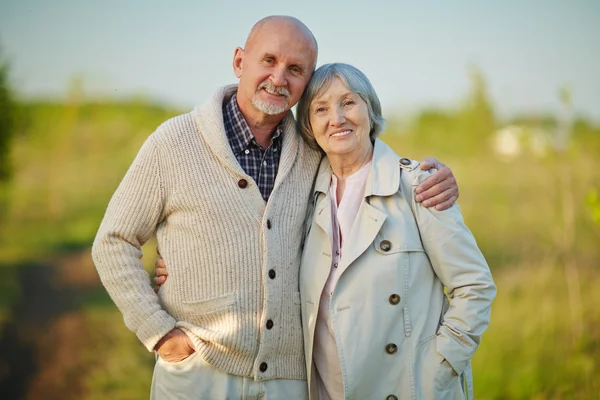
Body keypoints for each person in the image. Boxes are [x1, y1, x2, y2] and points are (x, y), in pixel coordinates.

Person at [92, 16, 459, 400]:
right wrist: (160, 333)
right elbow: (114, 241)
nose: (279, 77)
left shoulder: (313, 151)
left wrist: (430, 177)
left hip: (290, 379)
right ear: (239, 62)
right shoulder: (174, 143)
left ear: (306, 82)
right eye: (269, 60)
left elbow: (365, 164)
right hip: (199, 371)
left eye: (295, 69)